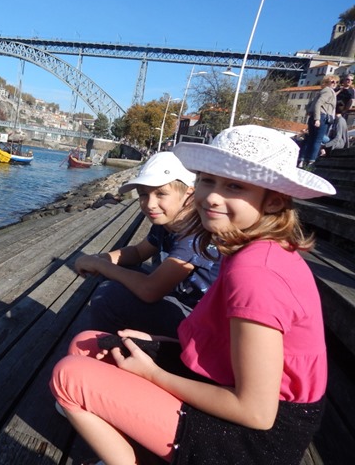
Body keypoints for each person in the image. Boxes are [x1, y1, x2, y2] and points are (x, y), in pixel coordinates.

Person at [50, 125, 336, 465]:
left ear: (273, 200)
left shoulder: (256, 273)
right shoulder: (248, 248)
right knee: (87, 345)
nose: (212, 196)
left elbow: (257, 412)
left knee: (69, 376)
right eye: (208, 180)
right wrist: (161, 342)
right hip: (229, 383)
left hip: (257, 441)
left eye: (234, 186)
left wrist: (153, 374)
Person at [74, 152, 219, 338]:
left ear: (189, 195)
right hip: (177, 300)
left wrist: (99, 264)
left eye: (161, 194)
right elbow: (137, 252)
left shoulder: (195, 236)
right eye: (143, 194)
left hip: (199, 323)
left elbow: (150, 290)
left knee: (109, 295)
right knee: (114, 273)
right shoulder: (166, 224)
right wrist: (102, 258)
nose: (150, 204)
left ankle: (106, 348)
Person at [298, 74, 338, 168]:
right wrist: (317, 119)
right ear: (326, 82)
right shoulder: (328, 91)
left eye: (336, 82)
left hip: (315, 117)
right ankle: (311, 162)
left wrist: (312, 115)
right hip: (322, 117)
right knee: (317, 140)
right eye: (332, 81)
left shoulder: (322, 91)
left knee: (310, 139)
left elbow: (310, 105)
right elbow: (318, 103)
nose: (335, 83)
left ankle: (302, 160)